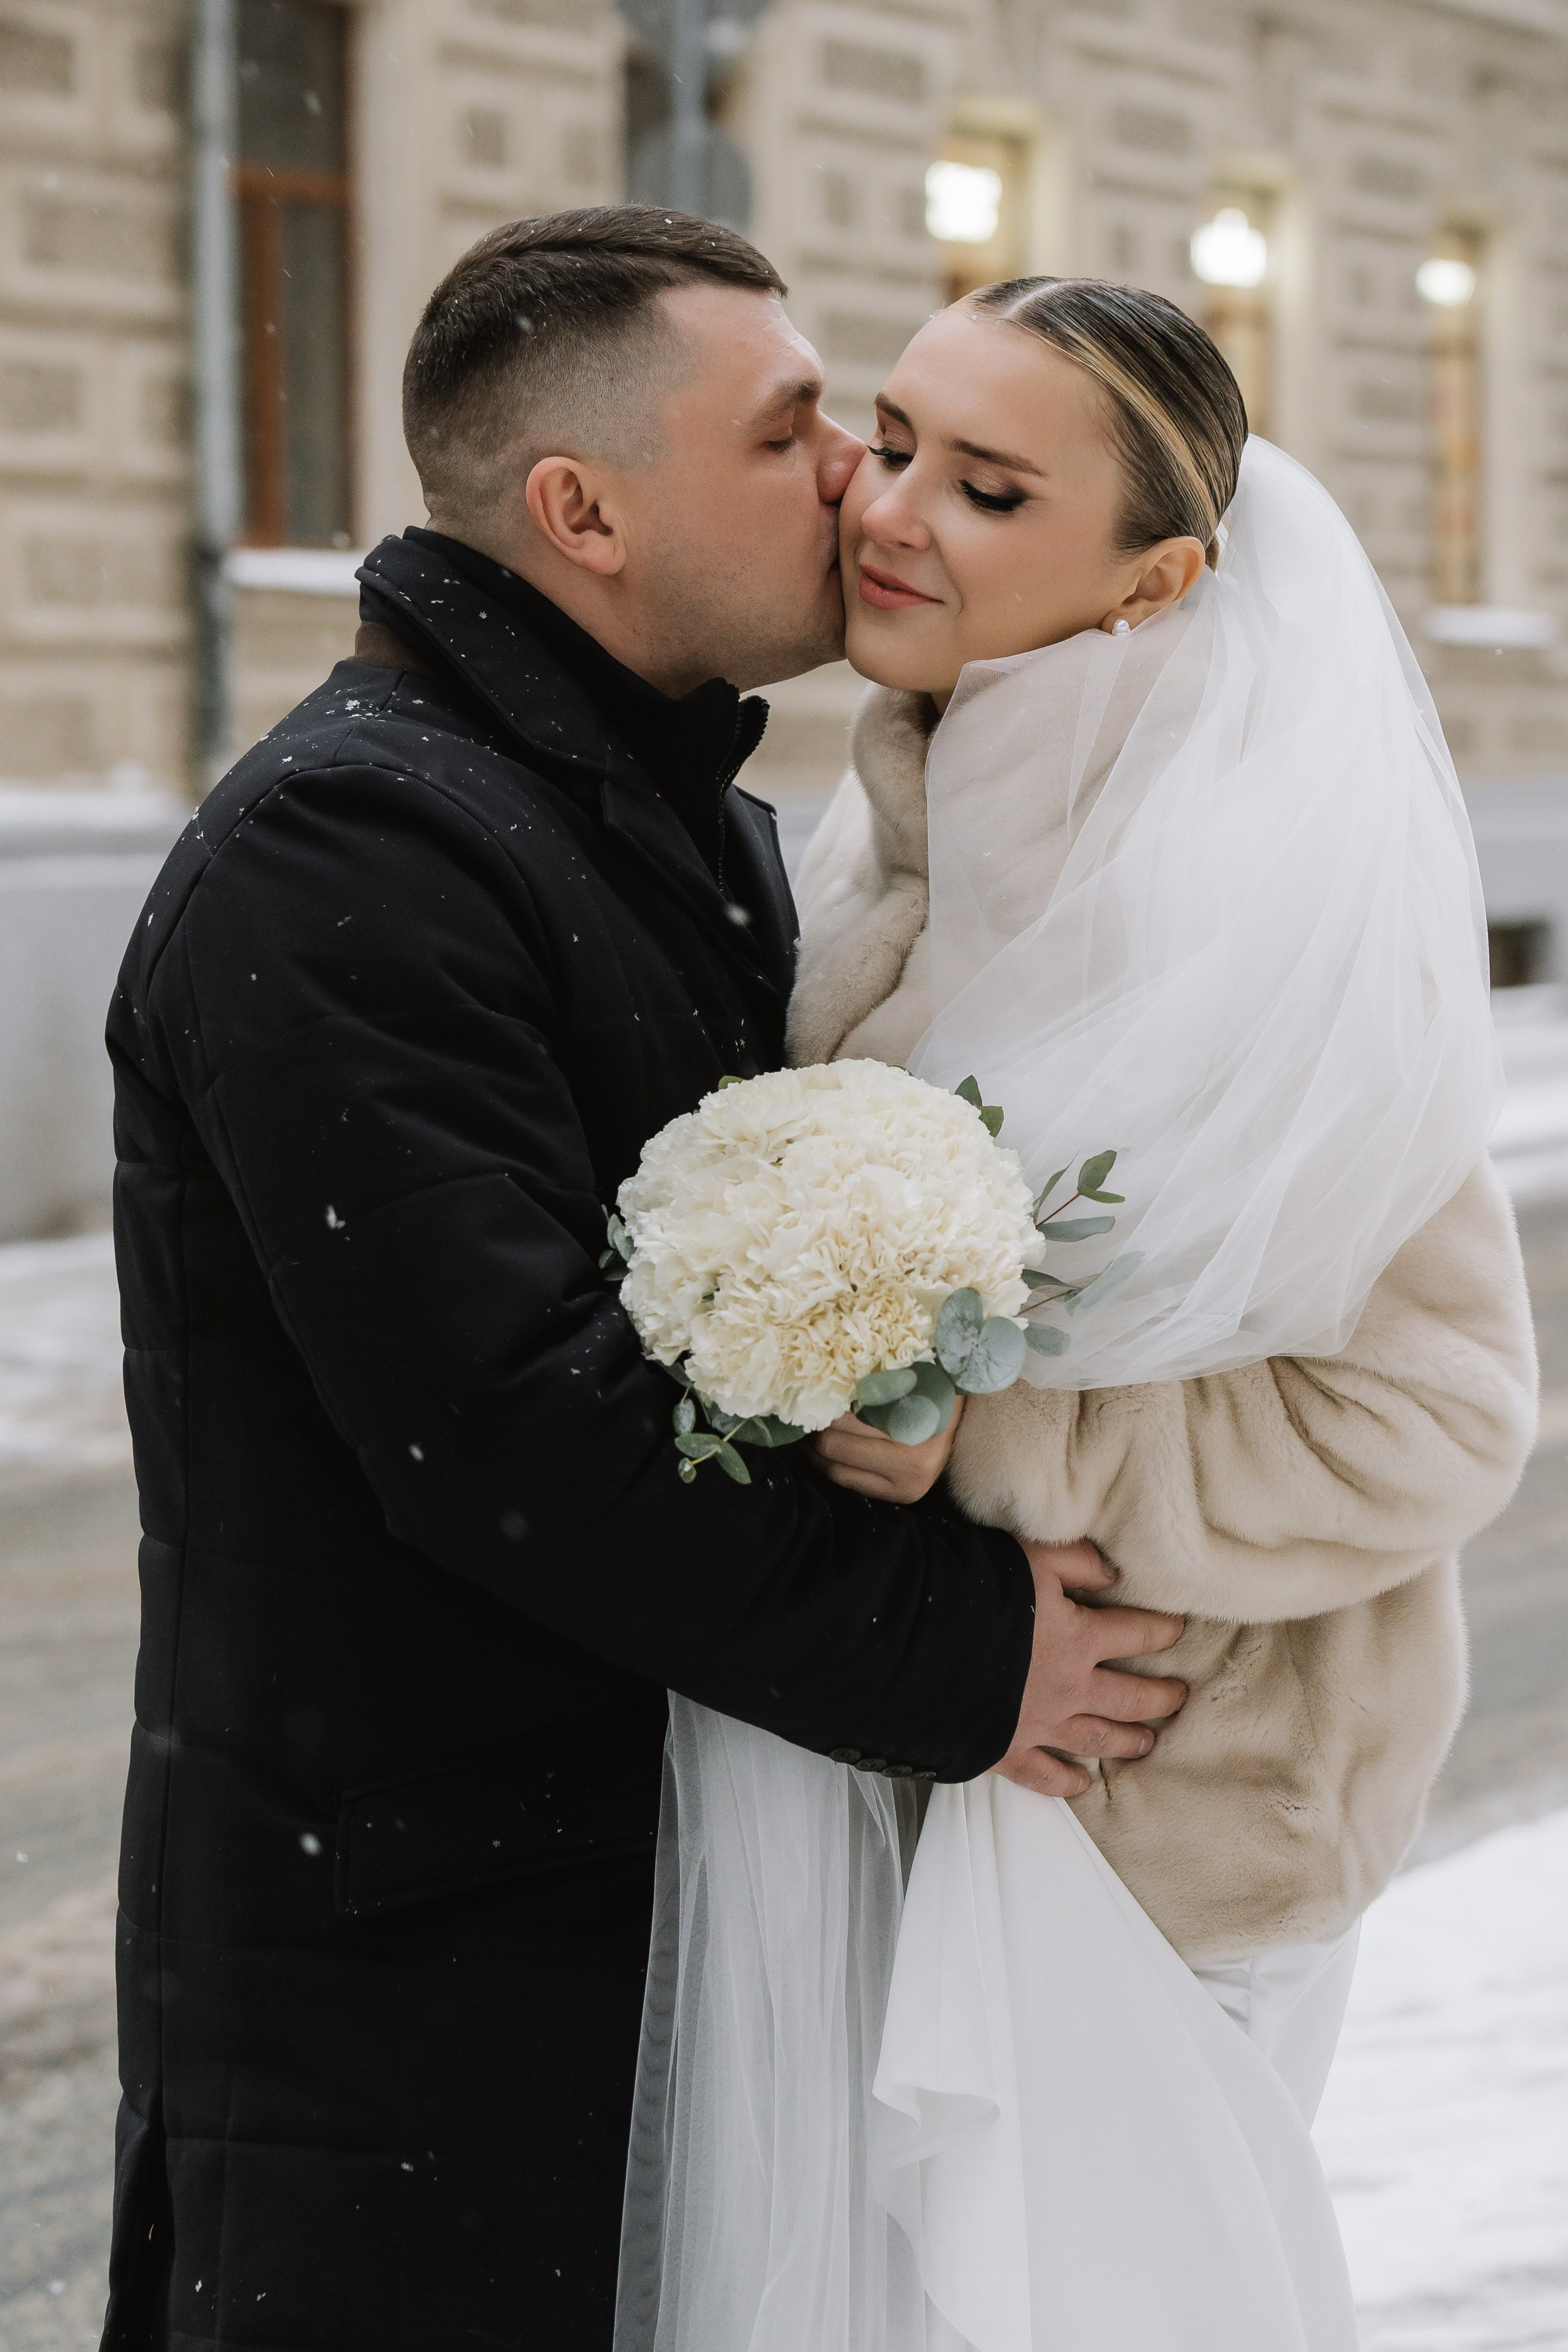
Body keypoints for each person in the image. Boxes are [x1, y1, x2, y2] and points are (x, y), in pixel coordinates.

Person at [99, 216, 1190, 2352]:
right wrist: (968, 1660)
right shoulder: (353, 849)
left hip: (621, 1913)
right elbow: (511, 1431)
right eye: (797, 434)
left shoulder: (636, 810)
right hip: (409, 1983)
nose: (856, 491)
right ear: (582, 512)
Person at [619, 282, 1538, 2350]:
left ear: (1157, 584)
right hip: (932, 1768)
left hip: (1174, 1818)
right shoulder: (901, 810)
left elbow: (1443, 1409)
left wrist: (996, 1434)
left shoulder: (1254, 892)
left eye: (995, 485)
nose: (898, 505)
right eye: (902, 437)